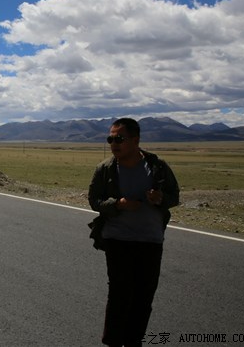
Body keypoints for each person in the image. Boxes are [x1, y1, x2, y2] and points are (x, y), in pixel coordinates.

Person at [88, 118, 180, 347]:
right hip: (117, 239)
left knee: (144, 296)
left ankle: (133, 341)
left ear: (136, 140)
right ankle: (112, 341)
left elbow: (174, 196)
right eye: (110, 139)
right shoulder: (106, 169)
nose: (113, 144)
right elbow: (94, 200)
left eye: (119, 139)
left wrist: (160, 198)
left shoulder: (157, 166)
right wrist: (118, 204)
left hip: (151, 240)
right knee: (119, 293)